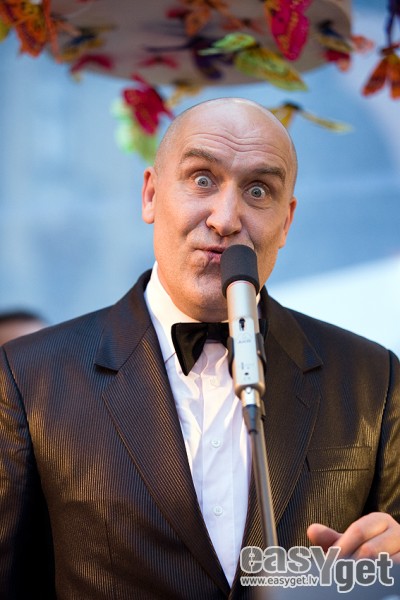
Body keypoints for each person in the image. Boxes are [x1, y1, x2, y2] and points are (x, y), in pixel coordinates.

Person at [0, 98, 399, 599]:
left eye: (258, 190)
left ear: (286, 221)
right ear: (150, 195)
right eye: (202, 179)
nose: (226, 218)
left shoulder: (373, 378)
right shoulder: (27, 377)